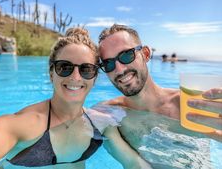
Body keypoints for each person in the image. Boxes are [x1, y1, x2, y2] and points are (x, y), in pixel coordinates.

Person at [0, 27, 151, 169]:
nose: (76, 77)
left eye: (86, 69)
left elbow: (134, 164)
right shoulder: (22, 124)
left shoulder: (101, 125)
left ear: (94, 78)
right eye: (65, 67)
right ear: (52, 74)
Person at [94, 24, 222, 167]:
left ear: (146, 54)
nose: (119, 70)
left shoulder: (190, 105)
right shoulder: (109, 114)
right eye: (108, 64)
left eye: (126, 55)